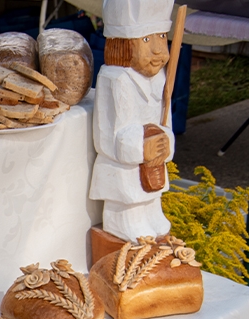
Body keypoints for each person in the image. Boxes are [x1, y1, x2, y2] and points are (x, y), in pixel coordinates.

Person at [89, 0, 175, 243]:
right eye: (147, 40)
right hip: (123, 166)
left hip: (153, 165)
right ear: (122, 45)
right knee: (128, 196)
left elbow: (164, 119)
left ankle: (151, 213)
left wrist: (165, 139)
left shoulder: (160, 78)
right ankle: (123, 221)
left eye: (161, 37)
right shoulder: (115, 79)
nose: (159, 49)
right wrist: (140, 145)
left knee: (151, 196)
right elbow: (107, 137)